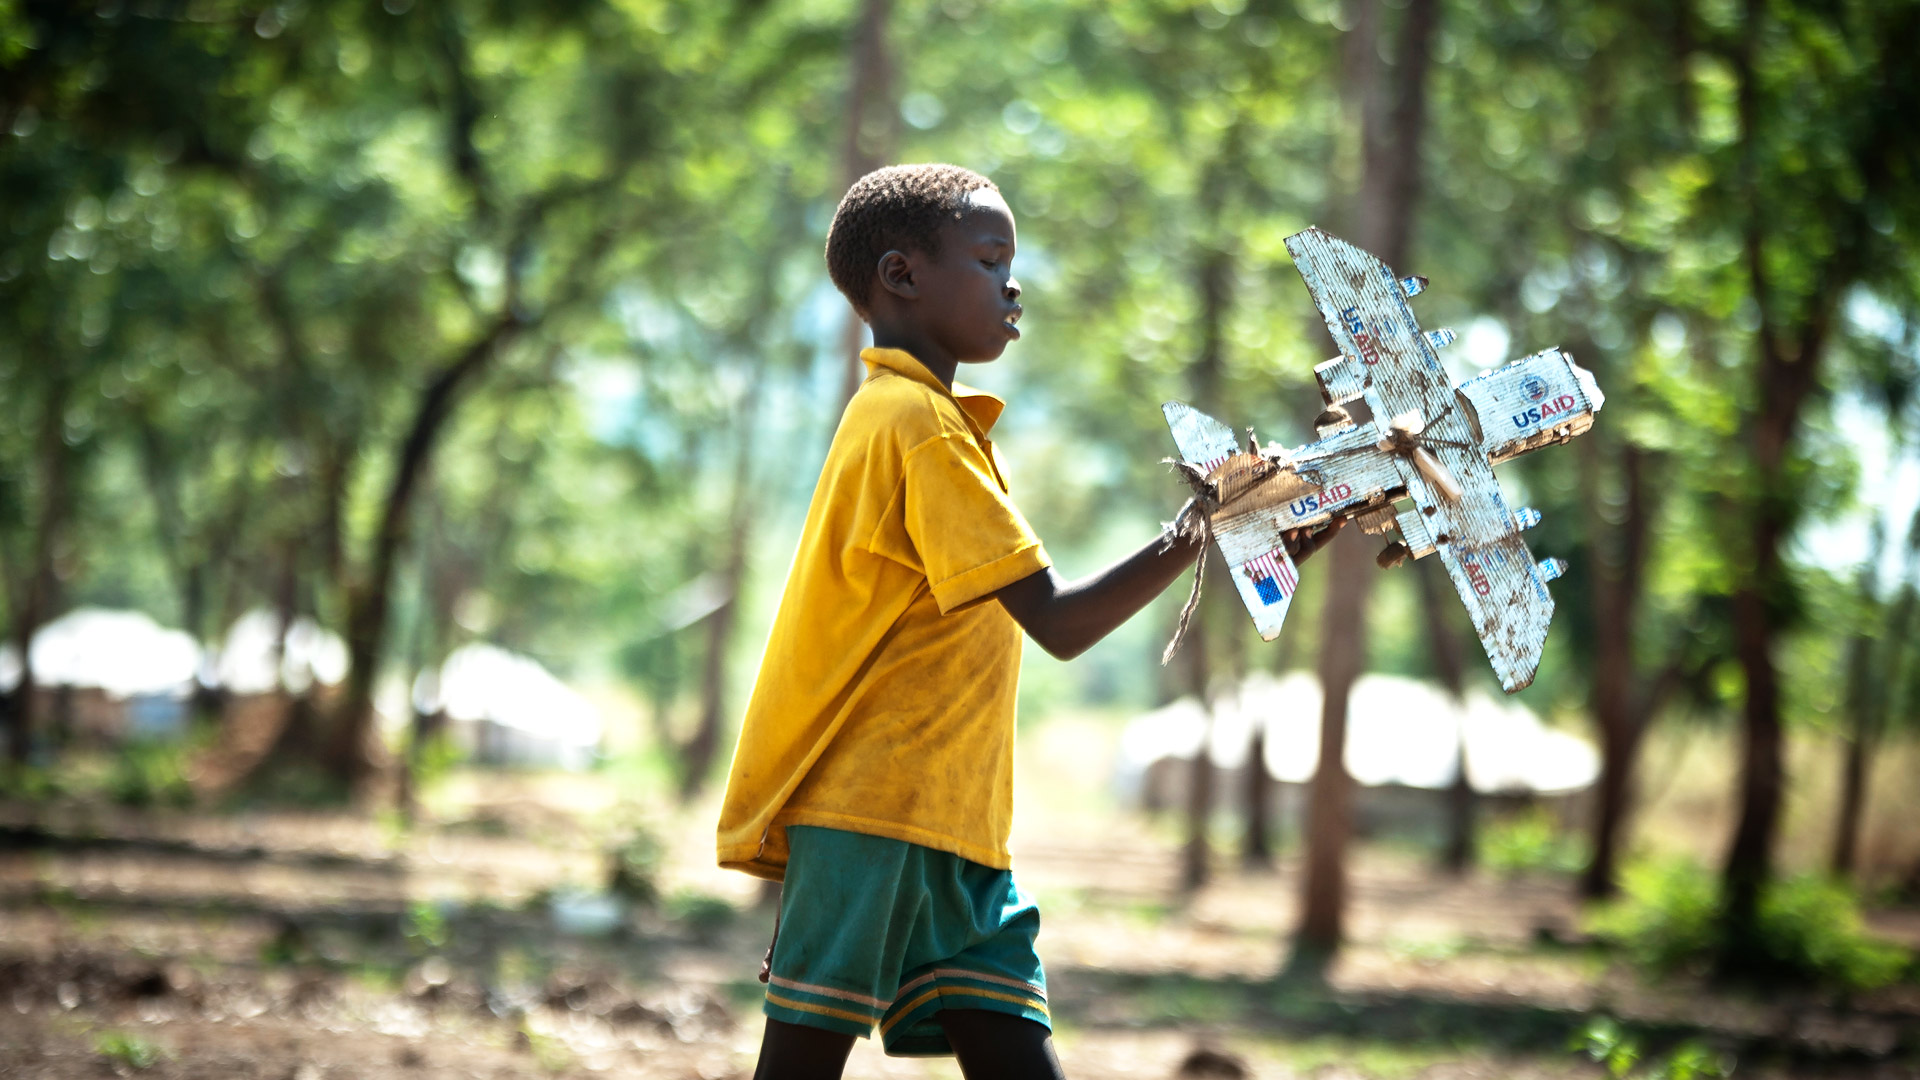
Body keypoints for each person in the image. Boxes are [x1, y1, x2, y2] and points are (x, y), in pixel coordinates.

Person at [716, 164, 1339, 1080]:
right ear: (901, 276)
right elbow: (1057, 620)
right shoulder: (916, 426)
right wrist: (1209, 526)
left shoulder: (920, 421)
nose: (1014, 283)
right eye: (989, 258)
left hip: (957, 828)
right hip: (874, 817)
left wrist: (1237, 535)